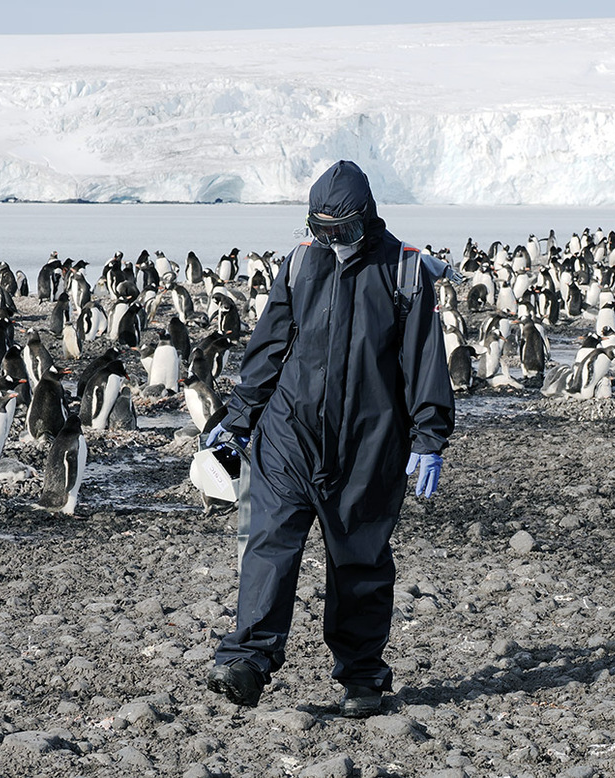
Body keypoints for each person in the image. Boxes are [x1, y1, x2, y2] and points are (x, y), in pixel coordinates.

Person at [205, 160, 455, 717]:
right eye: (322, 231)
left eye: (343, 230)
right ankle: (247, 661)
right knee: (269, 543)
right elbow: (269, 346)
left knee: (358, 559)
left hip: (369, 443)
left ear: (366, 218)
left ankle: (362, 677)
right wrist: (239, 417)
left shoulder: (404, 270)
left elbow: (423, 361)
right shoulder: (300, 263)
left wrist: (428, 436)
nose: (334, 241)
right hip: (289, 434)